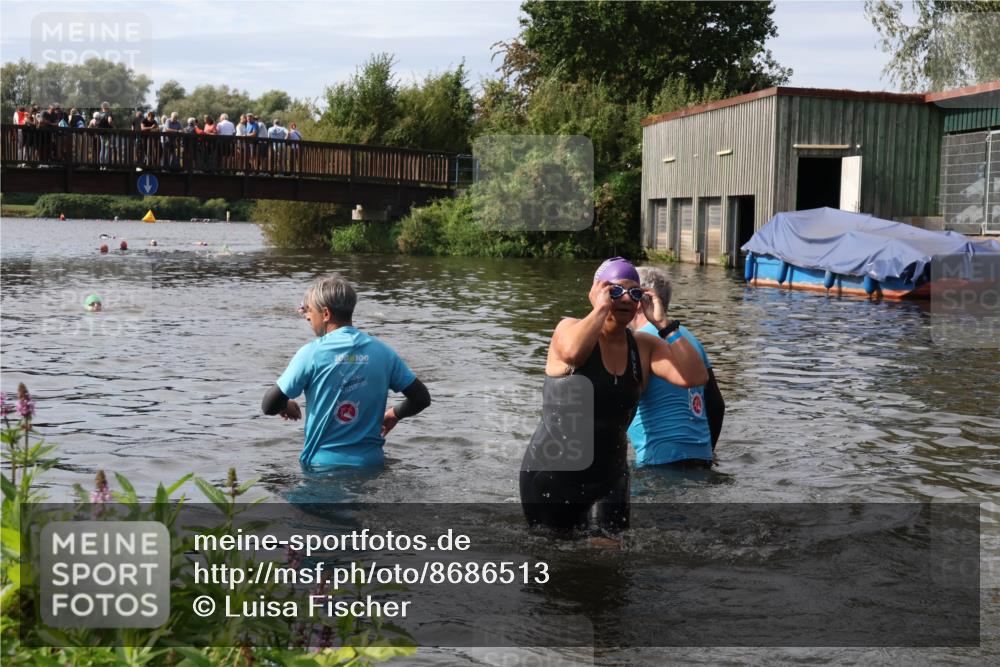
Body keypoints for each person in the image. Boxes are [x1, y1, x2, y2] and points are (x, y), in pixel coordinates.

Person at [519, 257, 708, 533]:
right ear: (598, 291)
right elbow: (573, 353)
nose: (626, 299)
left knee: (610, 564)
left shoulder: (644, 346)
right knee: (557, 564)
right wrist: (600, 308)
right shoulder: (568, 329)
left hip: (609, 478)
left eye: (635, 293)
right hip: (552, 475)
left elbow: (695, 377)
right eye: (615, 290)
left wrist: (664, 323)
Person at [262, 275, 431, 468]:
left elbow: (269, 404)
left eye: (308, 310)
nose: (307, 316)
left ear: (325, 314)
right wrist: (393, 414)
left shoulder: (312, 353)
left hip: (322, 468)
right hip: (372, 465)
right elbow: (421, 398)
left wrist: (284, 404)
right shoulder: (383, 352)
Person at [627, 266, 724, 468]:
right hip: (700, 457)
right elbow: (716, 404)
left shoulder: (639, 342)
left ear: (640, 299)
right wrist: (708, 452)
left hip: (659, 459)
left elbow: (622, 403)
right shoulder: (687, 340)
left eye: (628, 292)